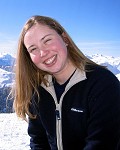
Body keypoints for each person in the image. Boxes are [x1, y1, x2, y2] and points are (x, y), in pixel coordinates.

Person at [12, 15, 120, 150]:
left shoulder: (103, 84)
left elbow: (102, 143)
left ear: (65, 39)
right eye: (33, 49)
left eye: (47, 40)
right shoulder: (38, 91)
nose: (43, 52)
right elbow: (39, 141)